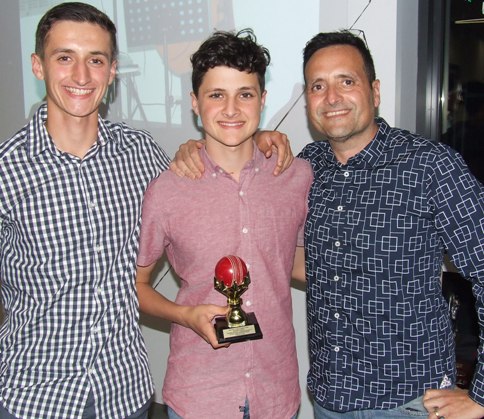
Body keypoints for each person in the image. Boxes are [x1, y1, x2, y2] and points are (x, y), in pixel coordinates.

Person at [171, 30, 484, 419]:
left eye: (346, 82)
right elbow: (291, 253)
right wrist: (211, 144)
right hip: (328, 399)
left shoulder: (430, 166)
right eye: (318, 86)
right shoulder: (306, 167)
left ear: (375, 90)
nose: (332, 98)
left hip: (409, 402)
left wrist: (480, 395)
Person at [0, 3, 172, 418]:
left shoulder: (142, 154)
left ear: (112, 71)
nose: (81, 76)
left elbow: (203, 198)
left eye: (95, 60)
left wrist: (258, 141)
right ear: (38, 66)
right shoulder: (5, 170)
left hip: (124, 391)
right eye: (65, 58)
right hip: (32, 396)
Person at [135, 29, 312, 419]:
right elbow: (136, 286)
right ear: (195, 103)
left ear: (262, 101)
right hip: (198, 394)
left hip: (276, 391)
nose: (231, 109)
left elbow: (296, 266)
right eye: (217, 95)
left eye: (245, 94)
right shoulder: (167, 190)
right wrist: (186, 315)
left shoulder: (296, 177)